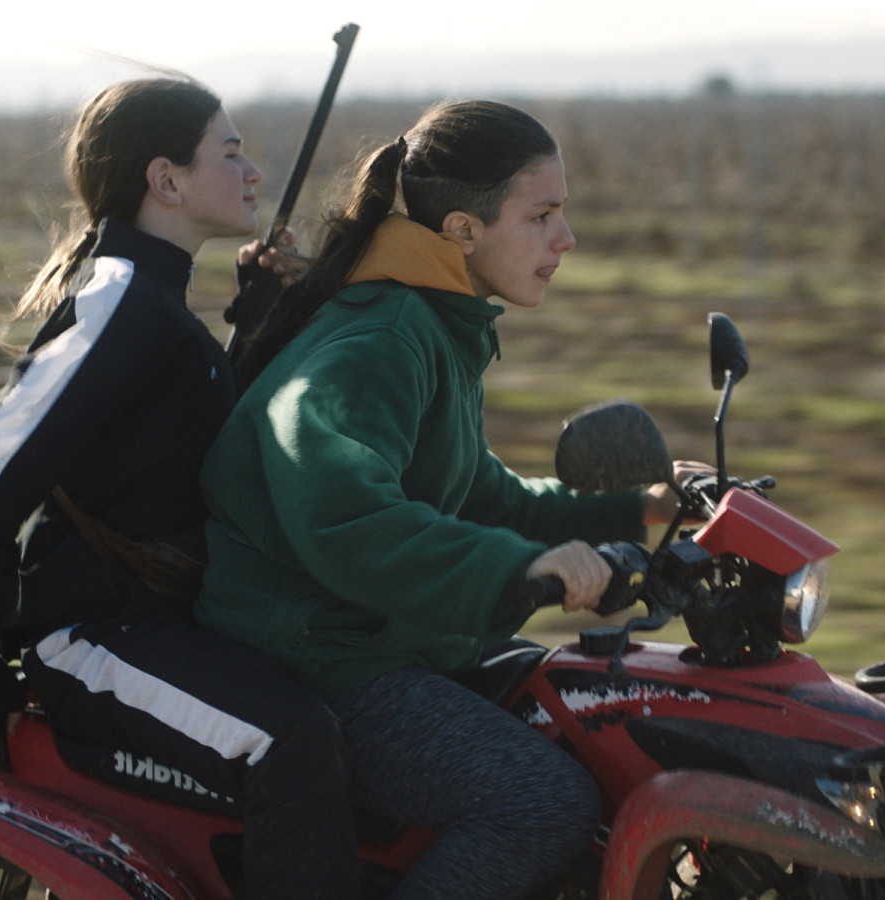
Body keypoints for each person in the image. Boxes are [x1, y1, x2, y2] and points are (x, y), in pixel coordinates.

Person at [195, 99, 697, 899]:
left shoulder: (435, 321)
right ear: (463, 229)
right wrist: (519, 570)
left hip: (383, 635)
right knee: (542, 803)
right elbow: (347, 516)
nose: (566, 239)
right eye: (542, 216)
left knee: (592, 720)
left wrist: (642, 507)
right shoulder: (381, 338)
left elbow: (480, 495)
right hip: (323, 656)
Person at [0, 77, 360, 899]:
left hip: (151, 622)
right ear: (166, 180)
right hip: (91, 636)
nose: (253, 173)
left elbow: (175, 441)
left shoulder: (154, 299)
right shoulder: (121, 298)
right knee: (290, 738)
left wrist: (261, 315)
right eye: (229, 153)